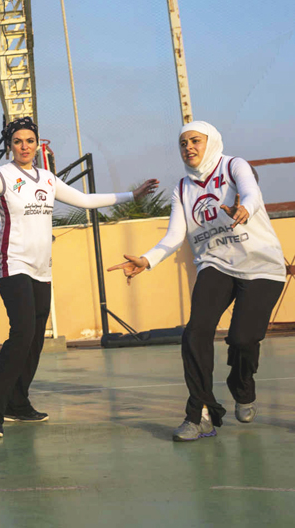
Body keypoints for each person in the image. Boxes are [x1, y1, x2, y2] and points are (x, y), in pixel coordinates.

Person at [0, 117, 158, 438]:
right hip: (12, 264)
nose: (24, 146)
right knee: (22, 332)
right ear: (10, 146)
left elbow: (86, 200)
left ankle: (17, 403)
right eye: (18, 141)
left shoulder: (47, 179)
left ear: (38, 145)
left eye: (29, 141)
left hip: (42, 269)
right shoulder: (2, 176)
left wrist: (131, 196)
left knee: (36, 338)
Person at [108, 121, 288, 442]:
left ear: (211, 142)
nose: (188, 147)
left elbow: (251, 191)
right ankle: (201, 414)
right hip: (216, 263)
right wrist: (147, 259)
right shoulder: (182, 188)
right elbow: (175, 235)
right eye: (182, 143)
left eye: (195, 141)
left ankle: (242, 386)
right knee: (195, 333)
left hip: (261, 264)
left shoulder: (234, 166)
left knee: (243, 340)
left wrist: (244, 207)